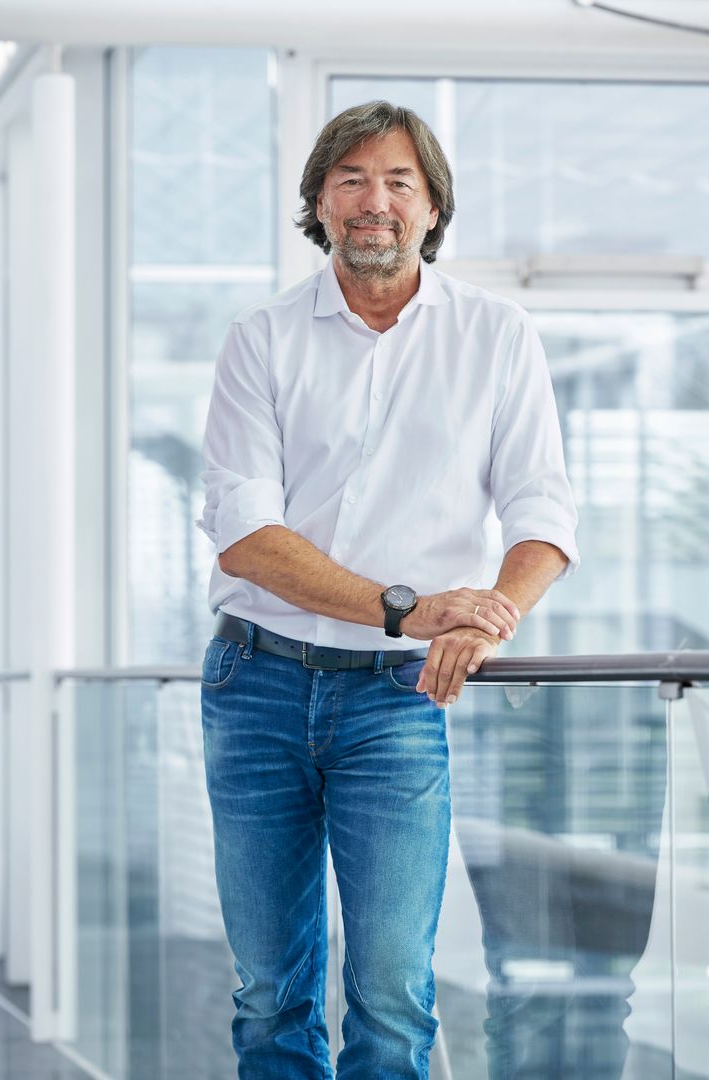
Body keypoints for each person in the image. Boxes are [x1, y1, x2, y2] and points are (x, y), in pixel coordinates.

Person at [196, 100, 579, 1080]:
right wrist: (413, 607)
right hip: (257, 686)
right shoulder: (263, 338)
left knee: (393, 988)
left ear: (433, 205)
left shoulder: (495, 336)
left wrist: (490, 616)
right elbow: (247, 539)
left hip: (398, 700)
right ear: (318, 203)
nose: (376, 201)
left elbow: (542, 517)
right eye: (352, 180)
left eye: (400, 181)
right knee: (268, 988)